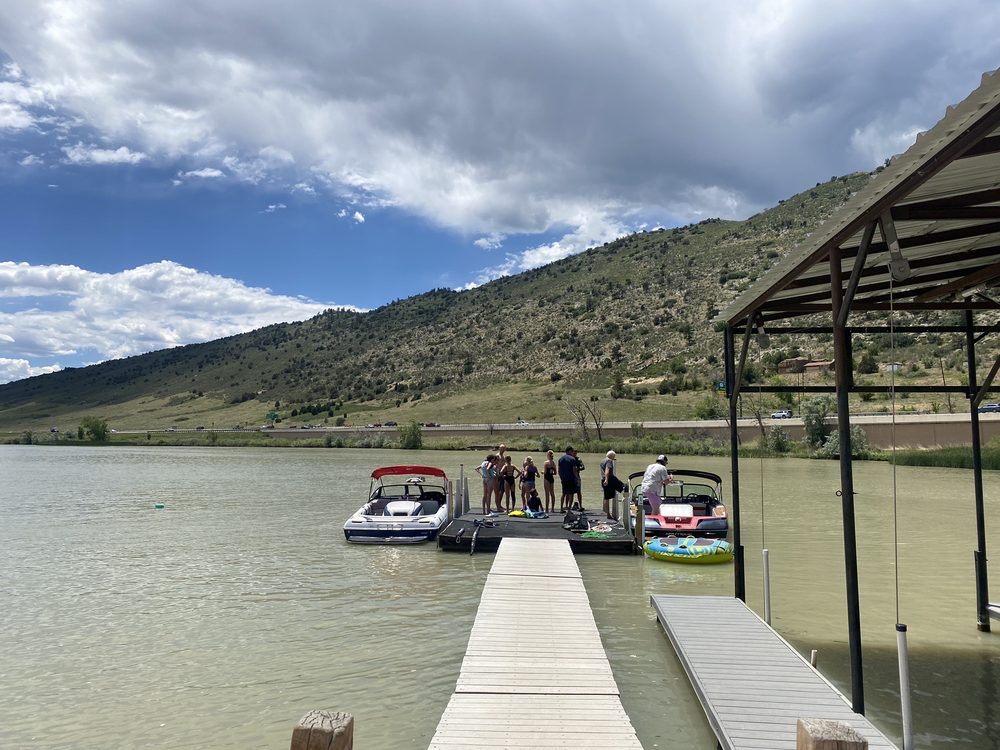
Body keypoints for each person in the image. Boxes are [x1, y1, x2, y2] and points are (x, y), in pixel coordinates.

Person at [600, 450, 625, 517]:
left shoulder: (602, 461)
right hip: (609, 479)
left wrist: (604, 480)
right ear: (611, 456)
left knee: (606, 497)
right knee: (624, 487)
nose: (614, 458)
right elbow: (607, 470)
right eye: (614, 456)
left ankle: (607, 513)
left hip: (603, 479)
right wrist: (606, 480)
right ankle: (627, 501)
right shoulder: (609, 461)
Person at [558, 446, 580, 512]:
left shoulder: (560, 459)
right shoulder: (572, 459)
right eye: (572, 451)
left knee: (563, 493)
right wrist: (577, 478)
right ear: (569, 451)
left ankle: (561, 508)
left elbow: (559, 471)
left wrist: (561, 477)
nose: (573, 452)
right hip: (571, 479)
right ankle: (569, 509)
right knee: (571, 494)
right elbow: (574, 470)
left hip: (563, 479)